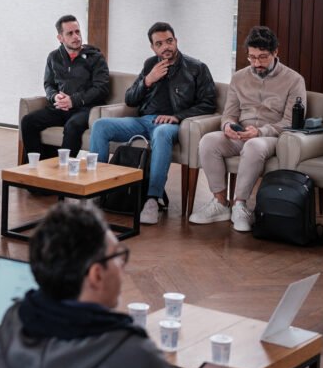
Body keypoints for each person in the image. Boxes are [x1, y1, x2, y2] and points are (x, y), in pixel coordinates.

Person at [0, 201, 323, 368]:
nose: (123, 268)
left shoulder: (13, 323)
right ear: (96, 274)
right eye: (118, 256)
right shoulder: (128, 352)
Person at [88, 22, 216, 224]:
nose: (166, 47)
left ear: (176, 41)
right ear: (153, 47)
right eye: (159, 44)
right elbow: (130, 99)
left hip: (171, 125)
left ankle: (152, 200)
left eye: (169, 41)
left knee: (161, 133)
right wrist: (148, 80)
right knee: (100, 125)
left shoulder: (196, 68)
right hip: (144, 121)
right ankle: (96, 191)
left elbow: (208, 103)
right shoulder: (150, 64)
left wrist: (178, 116)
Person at [190, 26, 306, 232]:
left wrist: (260, 132)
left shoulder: (294, 80)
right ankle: (220, 203)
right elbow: (229, 113)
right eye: (252, 57)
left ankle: (240, 205)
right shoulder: (239, 78)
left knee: (253, 145)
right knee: (208, 141)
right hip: (240, 133)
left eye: (262, 57)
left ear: (275, 52)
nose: (256, 63)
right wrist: (228, 126)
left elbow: (290, 122)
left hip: (271, 136)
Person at [20, 15, 110, 161]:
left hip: (86, 108)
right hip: (61, 107)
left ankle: (62, 168)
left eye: (77, 31)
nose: (76, 37)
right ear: (60, 38)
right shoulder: (54, 57)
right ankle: (38, 166)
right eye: (70, 33)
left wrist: (73, 100)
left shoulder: (96, 57)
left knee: (72, 126)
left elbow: (101, 88)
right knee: (28, 121)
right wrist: (54, 96)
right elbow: (49, 84)